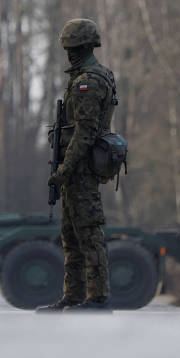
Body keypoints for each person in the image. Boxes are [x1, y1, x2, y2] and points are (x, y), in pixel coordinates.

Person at [38, 19, 116, 313]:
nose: (68, 53)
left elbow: (85, 132)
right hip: (77, 170)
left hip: (81, 170)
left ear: (81, 47)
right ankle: (73, 296)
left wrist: (64, 170)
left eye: (72, 48)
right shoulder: (91, 75)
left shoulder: (88, 81)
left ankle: (97, 298)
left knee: (89, 235)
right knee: (71, 237)